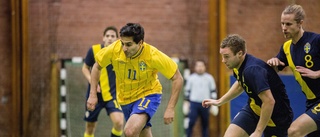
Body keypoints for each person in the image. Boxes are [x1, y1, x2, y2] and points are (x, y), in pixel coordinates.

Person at [86, 23, 184, 137]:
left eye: (129, 44)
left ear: (140, 43)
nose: (124, 48)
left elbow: (178, 78)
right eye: (122, 43)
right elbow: (97, 66)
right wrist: (93, 94)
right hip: (124, 99)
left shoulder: (153, 55)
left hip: (148, 94)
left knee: (130, 131)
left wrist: (170, 108)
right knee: (144, 133)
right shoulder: (114, 49)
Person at [202, 34, 293, 137]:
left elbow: (269, 101)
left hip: (277, 117)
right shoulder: (237, 66)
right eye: (222, 56)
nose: (223, 60)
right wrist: (220, 101)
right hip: (253, 110)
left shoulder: (252, 70)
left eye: (226, 56)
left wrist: (258, 132)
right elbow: (240, 84)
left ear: (239, 53)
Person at [267, 4, 320, 137]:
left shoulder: (315, 40)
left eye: (289, 24)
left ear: (300, 23)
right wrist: (273, 63)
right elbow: (275, 68)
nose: (284, 28)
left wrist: (317, 73)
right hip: (311, 102)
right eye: (282, 24)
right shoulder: (286, 48)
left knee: (294, 131)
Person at [82, 26, 124, 137]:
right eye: (107, 36)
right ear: (103, 38)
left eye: (112, 36)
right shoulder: (94, 50)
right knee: (90, 127)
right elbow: (85, 68)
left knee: (119, 122)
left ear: (117, 39)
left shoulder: (121, 53)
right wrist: (93, 82)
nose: (110, 38)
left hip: (112, 95)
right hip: (95, 95)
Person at [184, 60, 218, 137]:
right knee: (191, 122)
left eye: (201, 66)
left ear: (204, 67)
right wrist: (186, 103)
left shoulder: (209, 78)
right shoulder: (191, 78)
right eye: (198, 66)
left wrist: (214, 104)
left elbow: (213, 91)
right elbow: (187, 91)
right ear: (195, 67)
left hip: (205, 104)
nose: (200, 68)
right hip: (194, 103)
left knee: (205, 124)